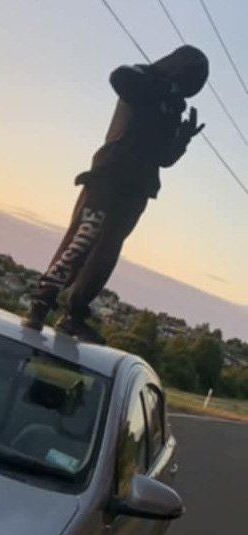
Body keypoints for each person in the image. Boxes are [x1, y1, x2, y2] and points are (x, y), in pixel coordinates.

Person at [24, 45, 209, 343]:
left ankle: (74, 315)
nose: (189, 87)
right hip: (108, 177)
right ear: (178, 66)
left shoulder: (175, 106)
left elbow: (163, 158)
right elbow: (118, 77)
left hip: (138, 188)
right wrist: (164, 87)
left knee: (106, 253)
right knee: (83, 239)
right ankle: (42, 303)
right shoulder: (141, 77)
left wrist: (182, 139)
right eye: (191, 76)